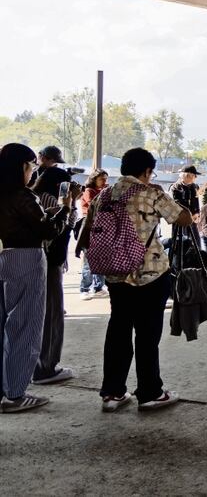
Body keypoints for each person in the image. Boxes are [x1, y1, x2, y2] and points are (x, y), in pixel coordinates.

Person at [77, 148, 193, 412]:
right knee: (147, 333)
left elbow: (87, 230)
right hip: (149, 272)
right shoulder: (151, 193)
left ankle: (113, 392)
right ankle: (150, 392)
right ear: (147, 171)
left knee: (118, 329)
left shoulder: (105, 194)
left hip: (115, 273)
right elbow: (183, 218)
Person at [0, 143, 73, 413]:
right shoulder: (22, 196)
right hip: (26, 259)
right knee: (25, 327)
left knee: (4, 328)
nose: (32, 172)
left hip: (4, 256)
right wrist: (64, 209)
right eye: (31, 166)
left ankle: (5, 390)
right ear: (22, 166)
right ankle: (15, 394)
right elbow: (47, 231)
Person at [30, 165, 81, 386]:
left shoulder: (33, 196)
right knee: (51, 314)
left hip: (39, 261)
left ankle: (35, 365)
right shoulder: (50, 199)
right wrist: (69, 204)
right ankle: (46, 366)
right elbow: (63, 228)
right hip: (48, 262)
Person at [78, 169, 109, 300]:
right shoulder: (89, 191)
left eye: (106, 179)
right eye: (102, 179)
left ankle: (98, 287)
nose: (104, 181)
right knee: (88, 259)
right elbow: (95, 206)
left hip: (102, 226)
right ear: (94, 179)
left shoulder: (103, 190)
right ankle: (84, 288)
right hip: (90, 225)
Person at [170, 165, 201, 267]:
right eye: (193, 176)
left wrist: (197, 213)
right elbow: (177, 204)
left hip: (193, 220)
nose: (194, 178)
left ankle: (195, 265)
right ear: (187, 176)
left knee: (196, 243)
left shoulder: (194, 187)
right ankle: (178, 266)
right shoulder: (175, 187)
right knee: (180, 244)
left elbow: (196, 202)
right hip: (181, 220)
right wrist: (189, 214)